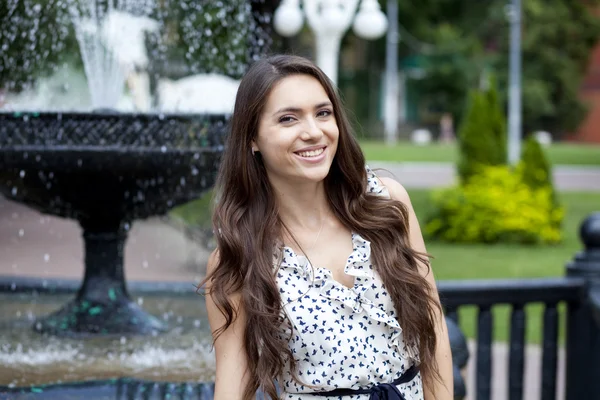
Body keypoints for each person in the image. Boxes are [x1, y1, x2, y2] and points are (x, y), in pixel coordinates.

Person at [202, 54, 453, 400]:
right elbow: (233, 381)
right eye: (288, 119)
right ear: (253, 138)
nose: (313, 132)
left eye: (323, 113)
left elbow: (433, 329)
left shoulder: (386, 205)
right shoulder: (240, 254)